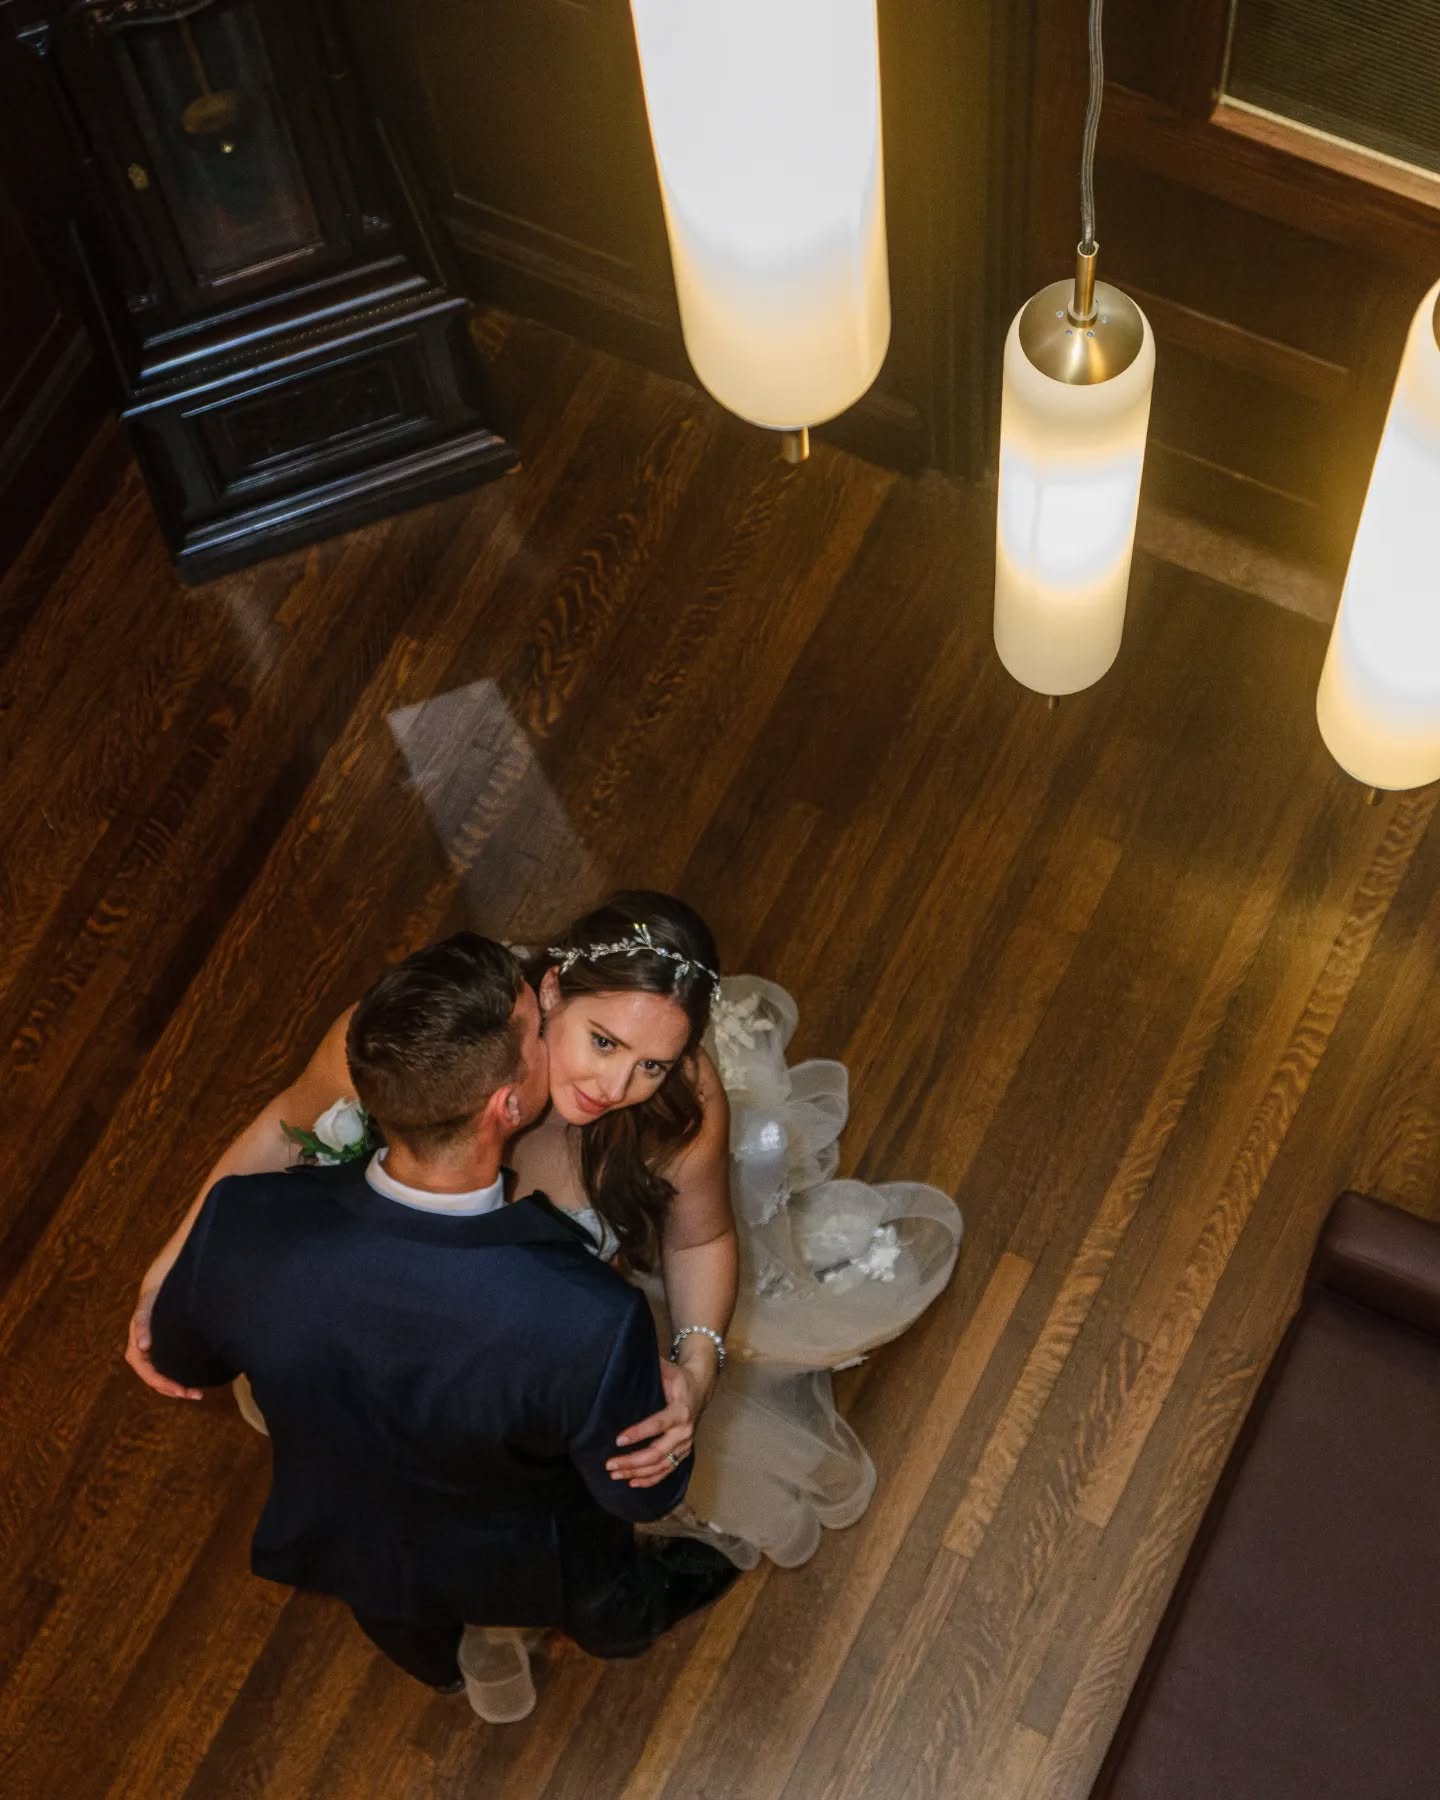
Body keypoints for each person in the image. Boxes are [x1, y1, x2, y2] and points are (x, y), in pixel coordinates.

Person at [133, 891, 963, 1569]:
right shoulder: (430, 1038)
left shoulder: (677, 1110)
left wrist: (698, 1364)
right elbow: (287, 1122)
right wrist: (172, 1263)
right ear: (552, 991)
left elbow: (698, 1240)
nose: (616, 1085)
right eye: (602, 1042)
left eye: (654, 1063)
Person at [145, 933, 739, 1720]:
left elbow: (186, 1356)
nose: (611, 1077)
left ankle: (436, 1668)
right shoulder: (590, 1321)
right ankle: (604, 1630)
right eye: (546, 1028)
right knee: (602, 1602)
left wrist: (182, 1271)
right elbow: (643, 1489)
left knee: (397, 1608)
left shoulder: (243, 1223)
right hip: (523, 1522)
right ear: (506, 1098)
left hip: (353, 1516)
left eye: (649, 1063)